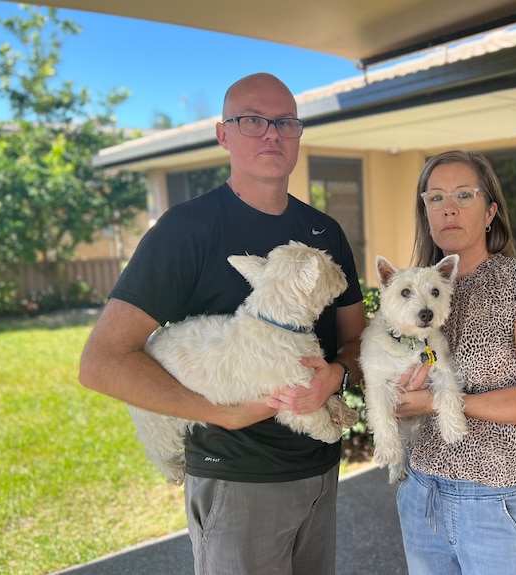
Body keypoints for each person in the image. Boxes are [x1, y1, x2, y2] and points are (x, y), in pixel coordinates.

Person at [79, 73, 366, 575]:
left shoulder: (326, 233)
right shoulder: (185, 230)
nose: (272, 133)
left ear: (299, 134)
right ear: (223, 134)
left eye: (285, 122)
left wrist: (337, 376)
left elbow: (356, 341)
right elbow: (102, 363)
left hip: (320, 469)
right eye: (252, 120)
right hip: (238, 480)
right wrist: (220, 412)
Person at [394, 150, 516, 575]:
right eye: (435, 197)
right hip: (423, 495)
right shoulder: (413, 289)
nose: (448, 207)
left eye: (463, 195)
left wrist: (437, 402)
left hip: (498, 503)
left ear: (491, 210)